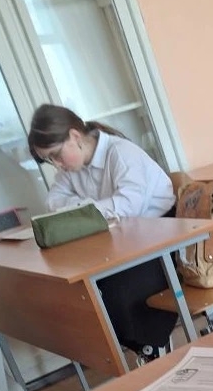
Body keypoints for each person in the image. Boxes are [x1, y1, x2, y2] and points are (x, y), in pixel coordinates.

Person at [27, 104, 176, 358]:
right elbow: (53, 202)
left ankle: (150, 349)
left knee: (116, 289)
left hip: (161, 236)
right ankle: (129, 352)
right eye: (50, 160)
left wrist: (83, 209)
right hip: (120, 241)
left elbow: (128, 206)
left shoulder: (120, 152)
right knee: (82, 289)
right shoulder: (71, 169)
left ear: (75, 136)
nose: (57, 165)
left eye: (56, 155)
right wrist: (92, 209)